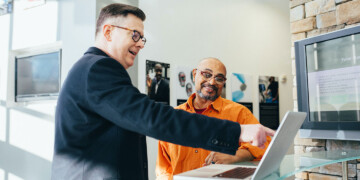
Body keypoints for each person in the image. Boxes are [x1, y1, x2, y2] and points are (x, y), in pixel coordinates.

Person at [51, 3, 275, 180]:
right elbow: (153, 118)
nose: (140, 44)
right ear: (108, 32)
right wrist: (236, 132)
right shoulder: (98, 68)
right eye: (135, 35)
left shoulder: (91, 68)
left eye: (142, 38)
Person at [156, 58, 272, 180]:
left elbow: (265, 143)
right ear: (195, 74)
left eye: (219, 78)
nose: (212, 82)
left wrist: (235, 155)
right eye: (207, 74)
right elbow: (164, 169)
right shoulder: (173, 118)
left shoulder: (239, 112)